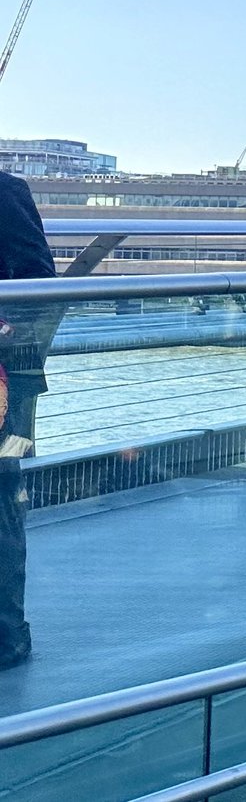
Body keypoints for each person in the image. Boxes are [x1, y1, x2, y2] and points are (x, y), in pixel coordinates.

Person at [0, 170, 56, 671]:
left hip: (2, 382)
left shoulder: (4, 191)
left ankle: (6, 636)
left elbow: (38, 284)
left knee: (0, 500)